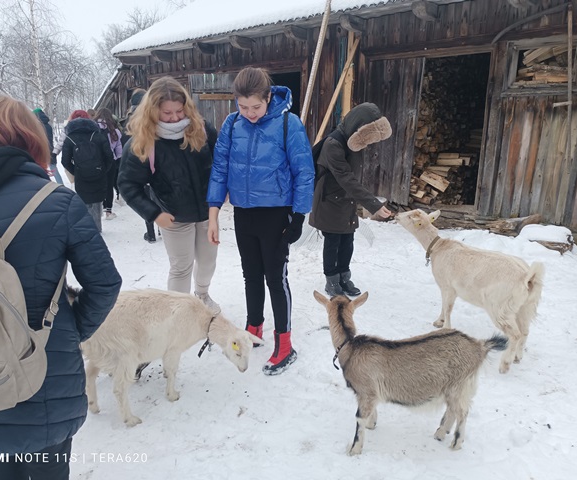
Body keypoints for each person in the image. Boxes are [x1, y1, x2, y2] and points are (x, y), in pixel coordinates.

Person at [0, 94, 122, 480]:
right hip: (45, 370)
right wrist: (74, 329)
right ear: (31, 138)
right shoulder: (57, 202)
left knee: (1, 463)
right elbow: (105, 283)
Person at [207, 67, 315, 376]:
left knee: (275, 278)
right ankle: (254, 326)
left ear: (269, 97)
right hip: (244, 213)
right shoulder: (231, 125)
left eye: (256, 106)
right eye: (243, 107)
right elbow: (219, 170)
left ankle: (284, 342)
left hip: (276, 214)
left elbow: (304, 173)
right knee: (250, 275)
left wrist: (298, 216)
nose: (250, 113)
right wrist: (213, 212)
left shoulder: (287, 124)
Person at [118, 76, 220, 314]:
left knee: (207, 262)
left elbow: (221, 165)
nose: (175, 118)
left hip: (207, 213)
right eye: (167, 113)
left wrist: (221, 193)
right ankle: (179, 310)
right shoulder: (143, 142)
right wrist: (154, 214)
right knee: (181, 267)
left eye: (179, 111)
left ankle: (202, 295)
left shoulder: (202, 130)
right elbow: (127, 184)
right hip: (172, 217)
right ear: (153, 111)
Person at [309, 102, 393, 297]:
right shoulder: (333, 145)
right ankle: (332, 281)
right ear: (359, 130)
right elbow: (346, 177)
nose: (369, 144)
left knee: (347, 239)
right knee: (333, 241)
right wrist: (374, 205)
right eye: (368, 139)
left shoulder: (353, 140)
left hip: (347, 198)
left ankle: (344, 277)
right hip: (329, 200)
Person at [61, 109, 113, 233]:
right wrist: (103, 170)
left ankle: (89, 229)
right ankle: (97, 228)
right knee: (97, 201)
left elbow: (65, 161)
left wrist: (76, 171)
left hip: (81, 177)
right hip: (99, 174)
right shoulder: (98, 135)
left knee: (84, 202)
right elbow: (109, 156)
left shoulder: (70, 138)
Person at [121, 88, 162, 242]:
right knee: (157, 195)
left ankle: (151, 232)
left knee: (145, 199)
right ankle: (159, 228)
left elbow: (125, 143)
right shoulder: (153, 116)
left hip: (137, 163)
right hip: (155, 161)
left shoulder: (129, 119)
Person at [95, 107, 123, 220]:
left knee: (99, 185)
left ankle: (99, 206)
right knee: (109, 185)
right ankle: (108, 211)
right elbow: (119, 149)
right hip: (111, 161)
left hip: (97, 161)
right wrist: (118, 159)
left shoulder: (94, 129)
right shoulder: (114, 131)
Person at [33, 107, 63, 184]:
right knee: (54, 169)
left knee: (41, 170)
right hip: (50, 149)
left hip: (41, 150)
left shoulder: (38, 126)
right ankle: (61, 184)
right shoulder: (48, 125)